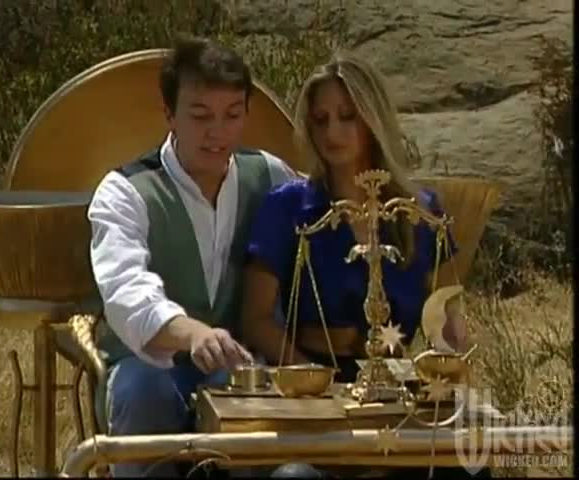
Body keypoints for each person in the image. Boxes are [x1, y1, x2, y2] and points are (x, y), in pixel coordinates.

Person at [243, 52, 487, 479]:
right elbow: (255, 318)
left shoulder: (421, 211)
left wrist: (449, 364)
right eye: (320, 120)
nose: (332, 132)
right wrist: (312, 380)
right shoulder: (288, 208)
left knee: (470, 466)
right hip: (316, 387)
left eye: (347, 116)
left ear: (373, 119)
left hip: (398, 392)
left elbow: (448, 311)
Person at [88, 36, 297, 477]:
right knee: (142, 389)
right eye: (200, 116)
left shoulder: (271, 177)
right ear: (170, 115)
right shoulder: (126, 191)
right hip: (149, 369)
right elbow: (127, 293)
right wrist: (193, 334)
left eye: (232, 115)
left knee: (242, 393)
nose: (216, 132)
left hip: (236, 370)